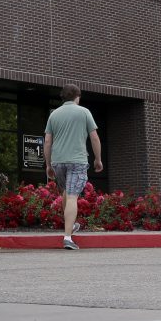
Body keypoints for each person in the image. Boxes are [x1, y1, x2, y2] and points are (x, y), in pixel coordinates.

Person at [44, 83, 102, 250]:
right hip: (77, 160)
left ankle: (71, 225)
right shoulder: (84, 112)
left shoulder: (54, 114)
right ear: (78, 97)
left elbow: (47, 141)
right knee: (71, 196)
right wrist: (98, 159)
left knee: (66, 192)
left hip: (58, 161)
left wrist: (48, 165)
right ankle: (68, 237)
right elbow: (94, 137)